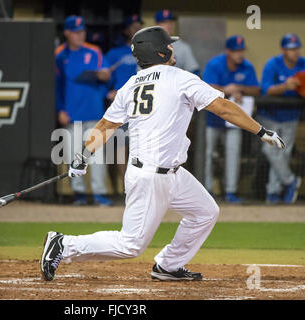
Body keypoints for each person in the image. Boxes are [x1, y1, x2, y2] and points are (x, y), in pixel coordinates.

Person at [41, 26, 285, 282]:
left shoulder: (131, 84)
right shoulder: (179, 78)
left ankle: (168, 265)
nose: (172, 47)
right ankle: (64, 244)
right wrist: (260, 131)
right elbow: (222, 107)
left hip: (173, 173)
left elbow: (105, 126)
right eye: (169, 45)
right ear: (159, 51)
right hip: (150, 176)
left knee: (205, 212)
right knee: (131, 245)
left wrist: (83, 155)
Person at [55, 15, 113, 206]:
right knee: (73, 156)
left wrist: (104, 76)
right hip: (72, 113)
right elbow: (56, 85)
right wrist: (60, 109)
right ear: (67, 33)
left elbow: (106, 79)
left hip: (94, 112)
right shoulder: (60, 55)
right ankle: (79, 194)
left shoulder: (94, 51)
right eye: (76, 32)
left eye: (82, 32)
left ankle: (99, 194)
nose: (80, 35)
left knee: (96, 157)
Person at [203, 36, 260, 203]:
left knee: (233, 154)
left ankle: (230, 191)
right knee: (207, 155)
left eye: (241, 50)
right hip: (212, 120)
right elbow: (204, 86)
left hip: (234, 122)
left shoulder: (247, 66)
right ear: (228, 51)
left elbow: (257, 89)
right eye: (236, 51)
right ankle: (207, 190)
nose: (239, 54)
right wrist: (226, 90)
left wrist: (239, 88)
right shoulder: (215, 64)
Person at [258, 33, 304, 204]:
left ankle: (273, 191)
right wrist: (285, 86)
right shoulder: (273, 64)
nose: (295, 52)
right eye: (291, 49)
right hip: (270, 116)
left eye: (297, 48)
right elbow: (266, 89)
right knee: (270, 150)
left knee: (283, 155)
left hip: (291, 116)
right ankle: (290, 180)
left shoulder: (302, 64)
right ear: (284, 50)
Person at [105, 14, 143, 192]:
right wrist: (110, 91)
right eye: (133, 26)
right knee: (120, 146)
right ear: (126, 30)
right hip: (121, 106)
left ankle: (136, 186)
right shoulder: (115, 53)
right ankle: (124, 187)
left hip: (141, 106)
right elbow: (104, 80)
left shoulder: (145, 51)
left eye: (139, 25)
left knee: (140, 147)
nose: (136, 28)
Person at [155, 9, 199, 75]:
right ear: (156, 25)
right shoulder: (149, 46)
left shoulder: (183, 47)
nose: (168, 25)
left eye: (170, 22)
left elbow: (194, 71)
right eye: (164, 22)